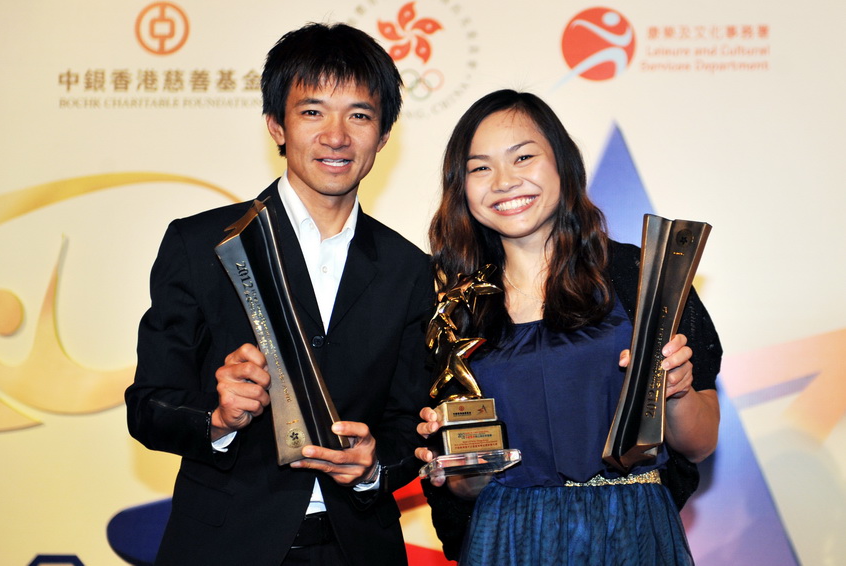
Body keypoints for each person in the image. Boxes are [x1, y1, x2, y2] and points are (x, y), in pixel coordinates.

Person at [125, 23, 433, 566]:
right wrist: (216, 419)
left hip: (357, 548)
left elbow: (408, 422)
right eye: (312, 112)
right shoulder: (205, 245)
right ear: (276, 125)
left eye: (359, 115)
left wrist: (374, 463)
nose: (336, 136)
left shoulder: (408, 269)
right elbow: (148, 406)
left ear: (384, 135)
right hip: (224, 545)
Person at [415, 89, 722, 565]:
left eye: (523, 157)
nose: (504, 181)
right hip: (507, 538)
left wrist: (677, 391)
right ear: (461, 187)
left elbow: (699, 445)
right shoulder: (451, 310)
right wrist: (458, 465)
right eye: (480, 168)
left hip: (631, 532)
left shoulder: (641, 277)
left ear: (562, 163)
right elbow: (469, 487)